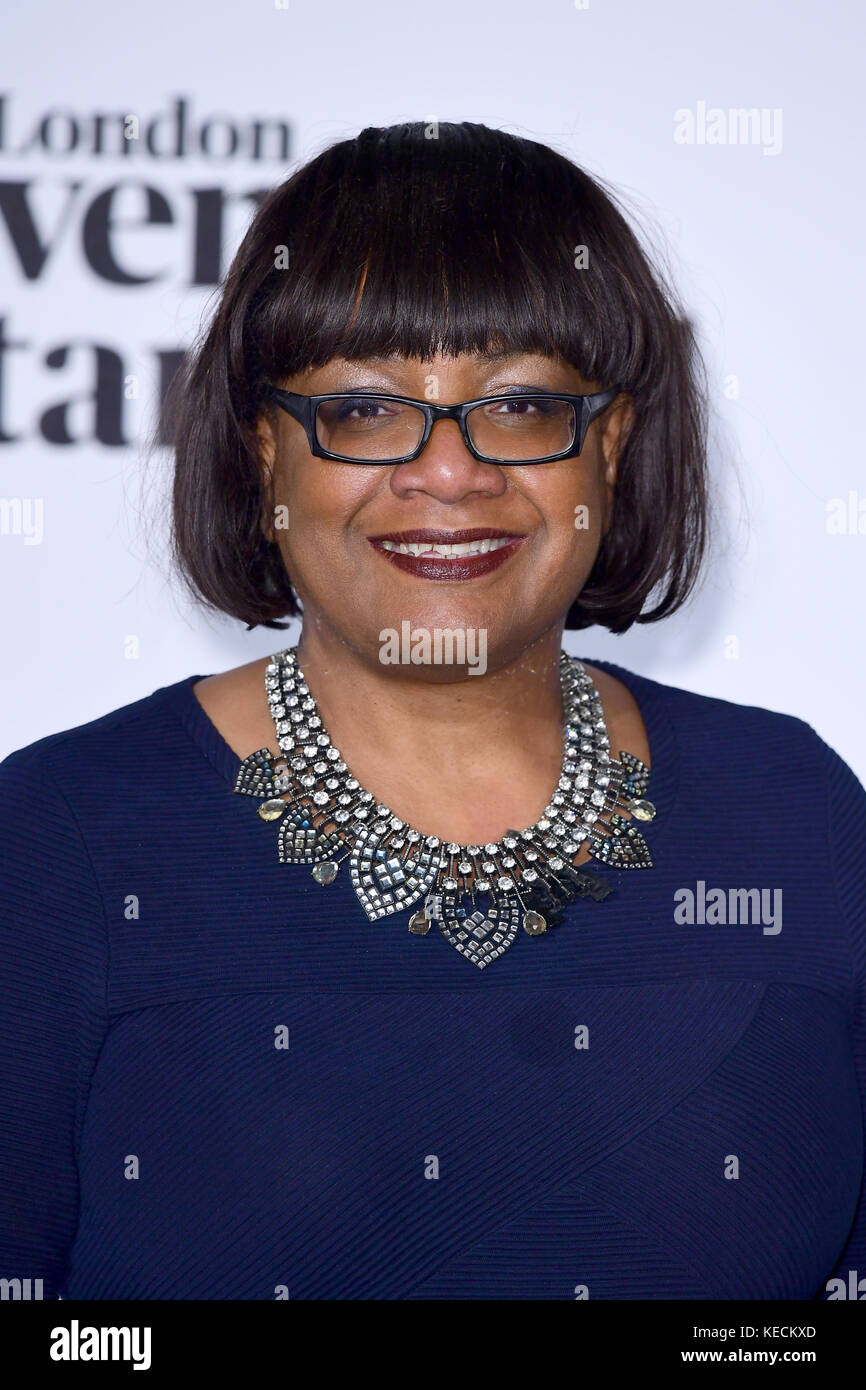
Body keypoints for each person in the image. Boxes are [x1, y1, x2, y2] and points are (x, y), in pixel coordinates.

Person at [1, 121, 863, 1301]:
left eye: (517, 405)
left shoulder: (792, 809)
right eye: (362, 409)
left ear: (607, 446)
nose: (449, 472)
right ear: (265, 455)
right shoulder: (60, 840)